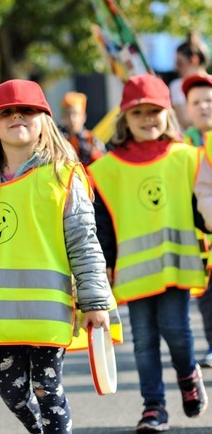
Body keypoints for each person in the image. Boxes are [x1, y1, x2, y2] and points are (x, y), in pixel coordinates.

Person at [0, 79, 113, 434]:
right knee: (13, 394)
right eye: (5, 112)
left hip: (48, 310)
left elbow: (84, 242)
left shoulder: (63, 177)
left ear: (45, 122)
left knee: (47, 390)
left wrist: (95, 301)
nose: (17, 116)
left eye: (28, 111)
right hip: (1, 313)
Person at [90, 73, 208, 431]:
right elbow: (103, 226)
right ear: (124, 118)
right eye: (137, 112)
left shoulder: (188, 158)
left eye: (154, 110)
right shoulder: (105, 170)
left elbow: (204, 207)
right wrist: (103, 271)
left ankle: (188, 375)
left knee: (176, 330)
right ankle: (153, 408)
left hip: (177, 265)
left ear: (168, 113)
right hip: (133, 272)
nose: (147, 118)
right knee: (143, 343)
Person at [180, 74, 212, 369]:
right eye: (196, 102)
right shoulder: (182, 146)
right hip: (199, 238)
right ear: (187, 108)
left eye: (208, 101)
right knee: (206, 296)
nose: (203, 107)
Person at [170, 31, 210, 129]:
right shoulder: (176, 85)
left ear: (194, 60)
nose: (176, 67)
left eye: (179, 63)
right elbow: (184, 121)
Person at [58, 91, 106, 168]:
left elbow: (104, 166)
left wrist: (92, 154)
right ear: (63, 117)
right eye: (68, 114)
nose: (72, 118)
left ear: (84, 116)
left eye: (75, 114)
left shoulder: (92, 140)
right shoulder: (58, 140)